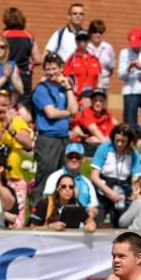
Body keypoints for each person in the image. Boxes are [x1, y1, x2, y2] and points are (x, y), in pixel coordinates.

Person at [31, 53, 78, 207]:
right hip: (48, 139)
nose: (51, 72)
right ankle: (37, 211)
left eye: (54, 68)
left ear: (61, 69)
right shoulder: (41, 89)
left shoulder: (62, 88)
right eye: (48, 69)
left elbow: (75, 108)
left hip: (64, 138)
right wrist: (68, 113)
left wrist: (68, 87)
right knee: (46, 176)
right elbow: (51, 113)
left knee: (63, 178)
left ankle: (58, 212)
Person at [91, 124, 141, 227]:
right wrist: (109, 192)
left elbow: (135, 178)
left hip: (122, 192)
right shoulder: (104, 148)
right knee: (97, 220)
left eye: (123, 141)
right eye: (117, 140)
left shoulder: (133, 153)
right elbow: (94, 176)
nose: (119, 144)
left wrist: (135, 192)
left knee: (123, 222)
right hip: (103, 190)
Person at [1, 7, 43, 108]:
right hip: (25, 75)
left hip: (8, 75)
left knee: (6, 105)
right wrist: (30, 64)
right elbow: (38, 59)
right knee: (23, 107)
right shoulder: (29, 36)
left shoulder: (3, 36)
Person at [30, 173, 95, 231]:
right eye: (63, 186)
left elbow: (90, 221)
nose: (67, 189)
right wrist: (50, 227)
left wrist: (91, 225)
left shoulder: (76, 205)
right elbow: (32, 227)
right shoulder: (45, 203)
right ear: (57, 188)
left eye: (71, 187)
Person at [63, 31, 101, 97]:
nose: (82, 42)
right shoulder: (71, 59)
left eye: (84, 39)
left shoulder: (94, 59)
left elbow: (100, 80)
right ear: (76, 41)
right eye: (79, 39)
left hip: (92, 99)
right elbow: (65, 79)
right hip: (77, 97)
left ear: (88, 41)